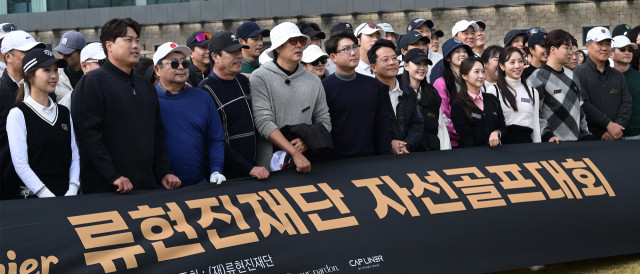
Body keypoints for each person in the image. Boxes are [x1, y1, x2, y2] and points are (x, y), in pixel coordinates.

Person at [71, 17, 181, 194]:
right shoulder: (91, 82)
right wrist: (113, 176)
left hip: (146, 187)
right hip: (107, 190)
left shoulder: (146, 86)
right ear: (109, 46)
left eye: (137, 40)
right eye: (128, 40)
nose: (136, 45)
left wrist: (164, 172)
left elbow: (156, 135)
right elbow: (88, 137)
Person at [250, 22, 331, 173]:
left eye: (301, 41)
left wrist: (307, 141)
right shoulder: (260, 77)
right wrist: (294, 152)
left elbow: (324, 120)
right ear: (278, 47)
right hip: (270, 165)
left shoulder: (313, 80)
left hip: (307, 161)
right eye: (293, 41)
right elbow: (263, 122)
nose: (299, 45)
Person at [5, 49, 79, 199]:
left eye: (56, 70)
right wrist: (45, 195)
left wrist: (73, 188)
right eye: (46, 70)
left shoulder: (64, 112)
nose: (54, 76)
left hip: (67, 196)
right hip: (34, 200)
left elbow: (75, 156)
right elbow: (20, 164)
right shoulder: (18, 114)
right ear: (30, 77)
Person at [198, 32, 269, 180]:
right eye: (231, 52)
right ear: (215, 57)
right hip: (225, 177)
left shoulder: (243, 81)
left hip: (254, 170)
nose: (238, 56)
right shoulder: (204, 91)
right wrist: (248, 168)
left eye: (239, 51)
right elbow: (214, 140)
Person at [153, 42, 226, 186]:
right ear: (157, 69)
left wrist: (216, 170)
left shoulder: (203, 97)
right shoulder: (148, 99)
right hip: (160, 189)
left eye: (184, 63)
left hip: (199, 184)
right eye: (174, 63)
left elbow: (216, 138)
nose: (181, 67)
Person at [322, 31, 391, 160]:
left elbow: (381, 123)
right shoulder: (324, 88)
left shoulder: (372, 84)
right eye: (346, 49)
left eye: (355, 47)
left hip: (370, 159)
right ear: (333, 57)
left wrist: (385, 155)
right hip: (335, 162)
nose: (353, 52)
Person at [0, 30, 45, 200]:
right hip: (9, 188)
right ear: (8, 57)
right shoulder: (2, 92)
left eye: (35, 51)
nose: (33, 56)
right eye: (26, 52)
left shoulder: (45, 91)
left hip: (43, 181)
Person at [527, 29, 591, 143]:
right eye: (567, 48)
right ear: (553, 49)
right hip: (552, 145)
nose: (570, 52)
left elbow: (580, 108)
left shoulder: (573, 76)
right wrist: (547, 135)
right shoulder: (536, 78)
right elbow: (534, 113)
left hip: (578, 143)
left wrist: (585, 133)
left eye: (571, 48)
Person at [574, 27, 631, 141]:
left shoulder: (618, 76)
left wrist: (616, 127)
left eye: (608, 44)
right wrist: (608, 124)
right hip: (590, 139)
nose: (604, 48)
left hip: (616, 137)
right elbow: (583, 104)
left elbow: (627, 103)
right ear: (588, 47)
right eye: (600, 44)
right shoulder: (578, 74)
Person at [370, 39, 424, 154]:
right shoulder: (369, 92)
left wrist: (406, 146)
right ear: (373, 67)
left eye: (394, 58)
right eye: (385, 60)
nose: (392, 62)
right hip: (379, 157)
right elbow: (367, 128)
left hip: (407, 154)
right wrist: (388, 143)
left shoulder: (408, 90)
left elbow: (417, 123)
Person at [486, 47, 541, 144]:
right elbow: (491, 124)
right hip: (504, 148)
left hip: (527, 146)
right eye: (512, 62)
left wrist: (537, 149)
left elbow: (536, 127)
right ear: (502, 66)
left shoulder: (533, 92)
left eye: (520, 61)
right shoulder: (494, 90)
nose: (517, 66)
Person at [400, 48, 451, 150]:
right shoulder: (398, 92)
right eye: (417, 63)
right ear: (406, 66)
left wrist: (446, 154)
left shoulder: (432, 93)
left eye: (425, 64)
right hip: (407, 154)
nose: (422, 68)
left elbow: (441, 126)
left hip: (432, 154)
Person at [451, 57, 506, 148]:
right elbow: (466, 136)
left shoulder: (492, 99)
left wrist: (497, 133)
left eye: (483, 71)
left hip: (496, 154)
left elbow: (503, 128)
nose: (481, 76)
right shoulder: (458, 104)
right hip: (473, 156)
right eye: (476, 72)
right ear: (464, 76)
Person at [432, 38, 474, 148]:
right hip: (453, 143)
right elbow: (444, 116)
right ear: (447, 58)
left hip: (473, 139)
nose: (462, 54)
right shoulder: (441, 83)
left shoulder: (471, 80)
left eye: (465, 51)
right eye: (457, 51)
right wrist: (463, 134)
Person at [58, 42, 106, 111]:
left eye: (110, 63)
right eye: (102, 62)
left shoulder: (121, 91)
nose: (108, 67)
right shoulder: (71, 99)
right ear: (84, 66)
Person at [610, 36, 640, 140]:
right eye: (622, 49)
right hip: (610, 136)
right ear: (611, 54)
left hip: (636, 135)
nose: (627, 52)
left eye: (630, 50)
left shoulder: (638, 77)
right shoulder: (604, 78)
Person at [53, 31, 86, 101]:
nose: (63, 57)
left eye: (67, 54)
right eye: (60, 53)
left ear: (82, 52)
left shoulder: (91, 74)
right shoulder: (54, 75)